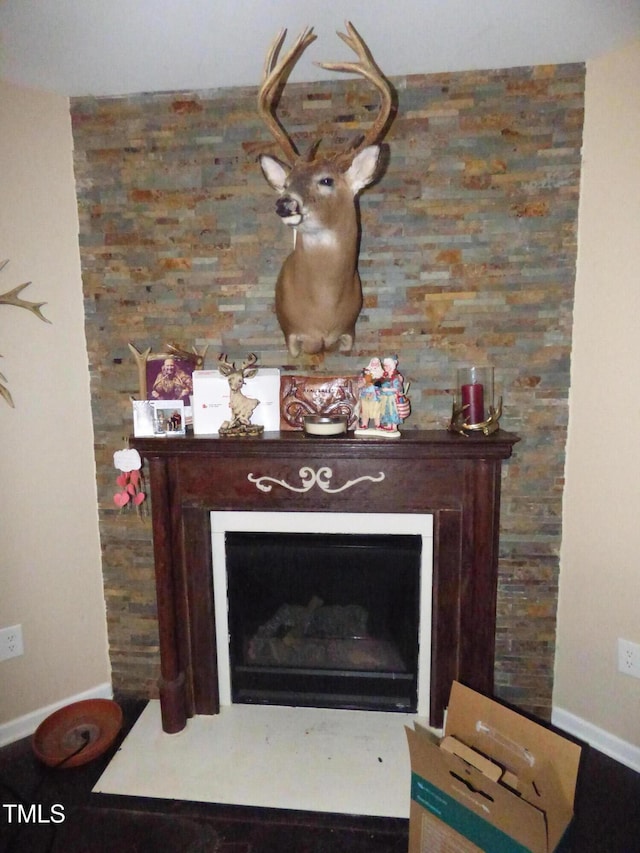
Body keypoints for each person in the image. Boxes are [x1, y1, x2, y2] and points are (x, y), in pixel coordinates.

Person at [379, 356, 405, 431]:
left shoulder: (396, 376)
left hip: (392, 398)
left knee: (393, 411)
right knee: (386, 411)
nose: (385, 367)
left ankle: (394, 426)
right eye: (384, 365)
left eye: (386, 365)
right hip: (385, 397)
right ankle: (388, 424)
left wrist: (387, 389)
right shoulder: (385, 376)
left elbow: (398, 388)